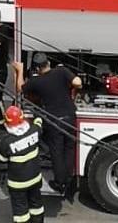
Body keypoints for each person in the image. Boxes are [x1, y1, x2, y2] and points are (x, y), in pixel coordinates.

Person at [12, 54, 81, 201]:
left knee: (56, 152)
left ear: (37, 68)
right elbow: (78, 82)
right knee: (69, 149)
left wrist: (20, 70)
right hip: (70, 116)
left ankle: (60, 182)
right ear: (48, 62)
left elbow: (20, 89)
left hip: (54, 121)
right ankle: (68, 178)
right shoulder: (62, 71)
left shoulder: (36, 81)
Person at [0, 106, 44, 223]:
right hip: (35, 179)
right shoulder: (34, 131)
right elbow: (39, 122)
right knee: (36, 206)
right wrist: (37, 115)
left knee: (21, 212)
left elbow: (1, 159)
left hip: (18, 184)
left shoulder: (7, 142)